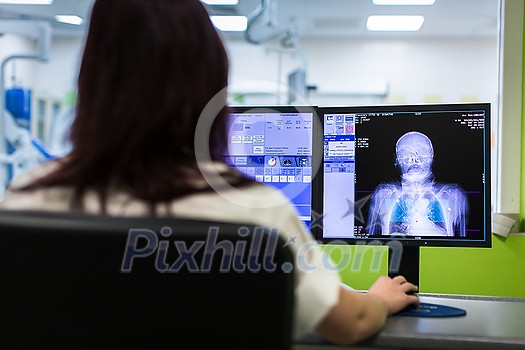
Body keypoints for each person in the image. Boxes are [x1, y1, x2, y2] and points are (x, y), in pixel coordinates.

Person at [0, 0, 418, 345]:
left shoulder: (26, 199)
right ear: (210, 94)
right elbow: (351, 323)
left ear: (92, 82)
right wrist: (379, 298)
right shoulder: (255, 213)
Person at [366, 131, 468, 237]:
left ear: (432, 156)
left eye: (422, 152)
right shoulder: (383, 196)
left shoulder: (453, 196)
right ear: (397, 160)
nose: (414, 159)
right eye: (405, 154)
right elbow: (369, 243)